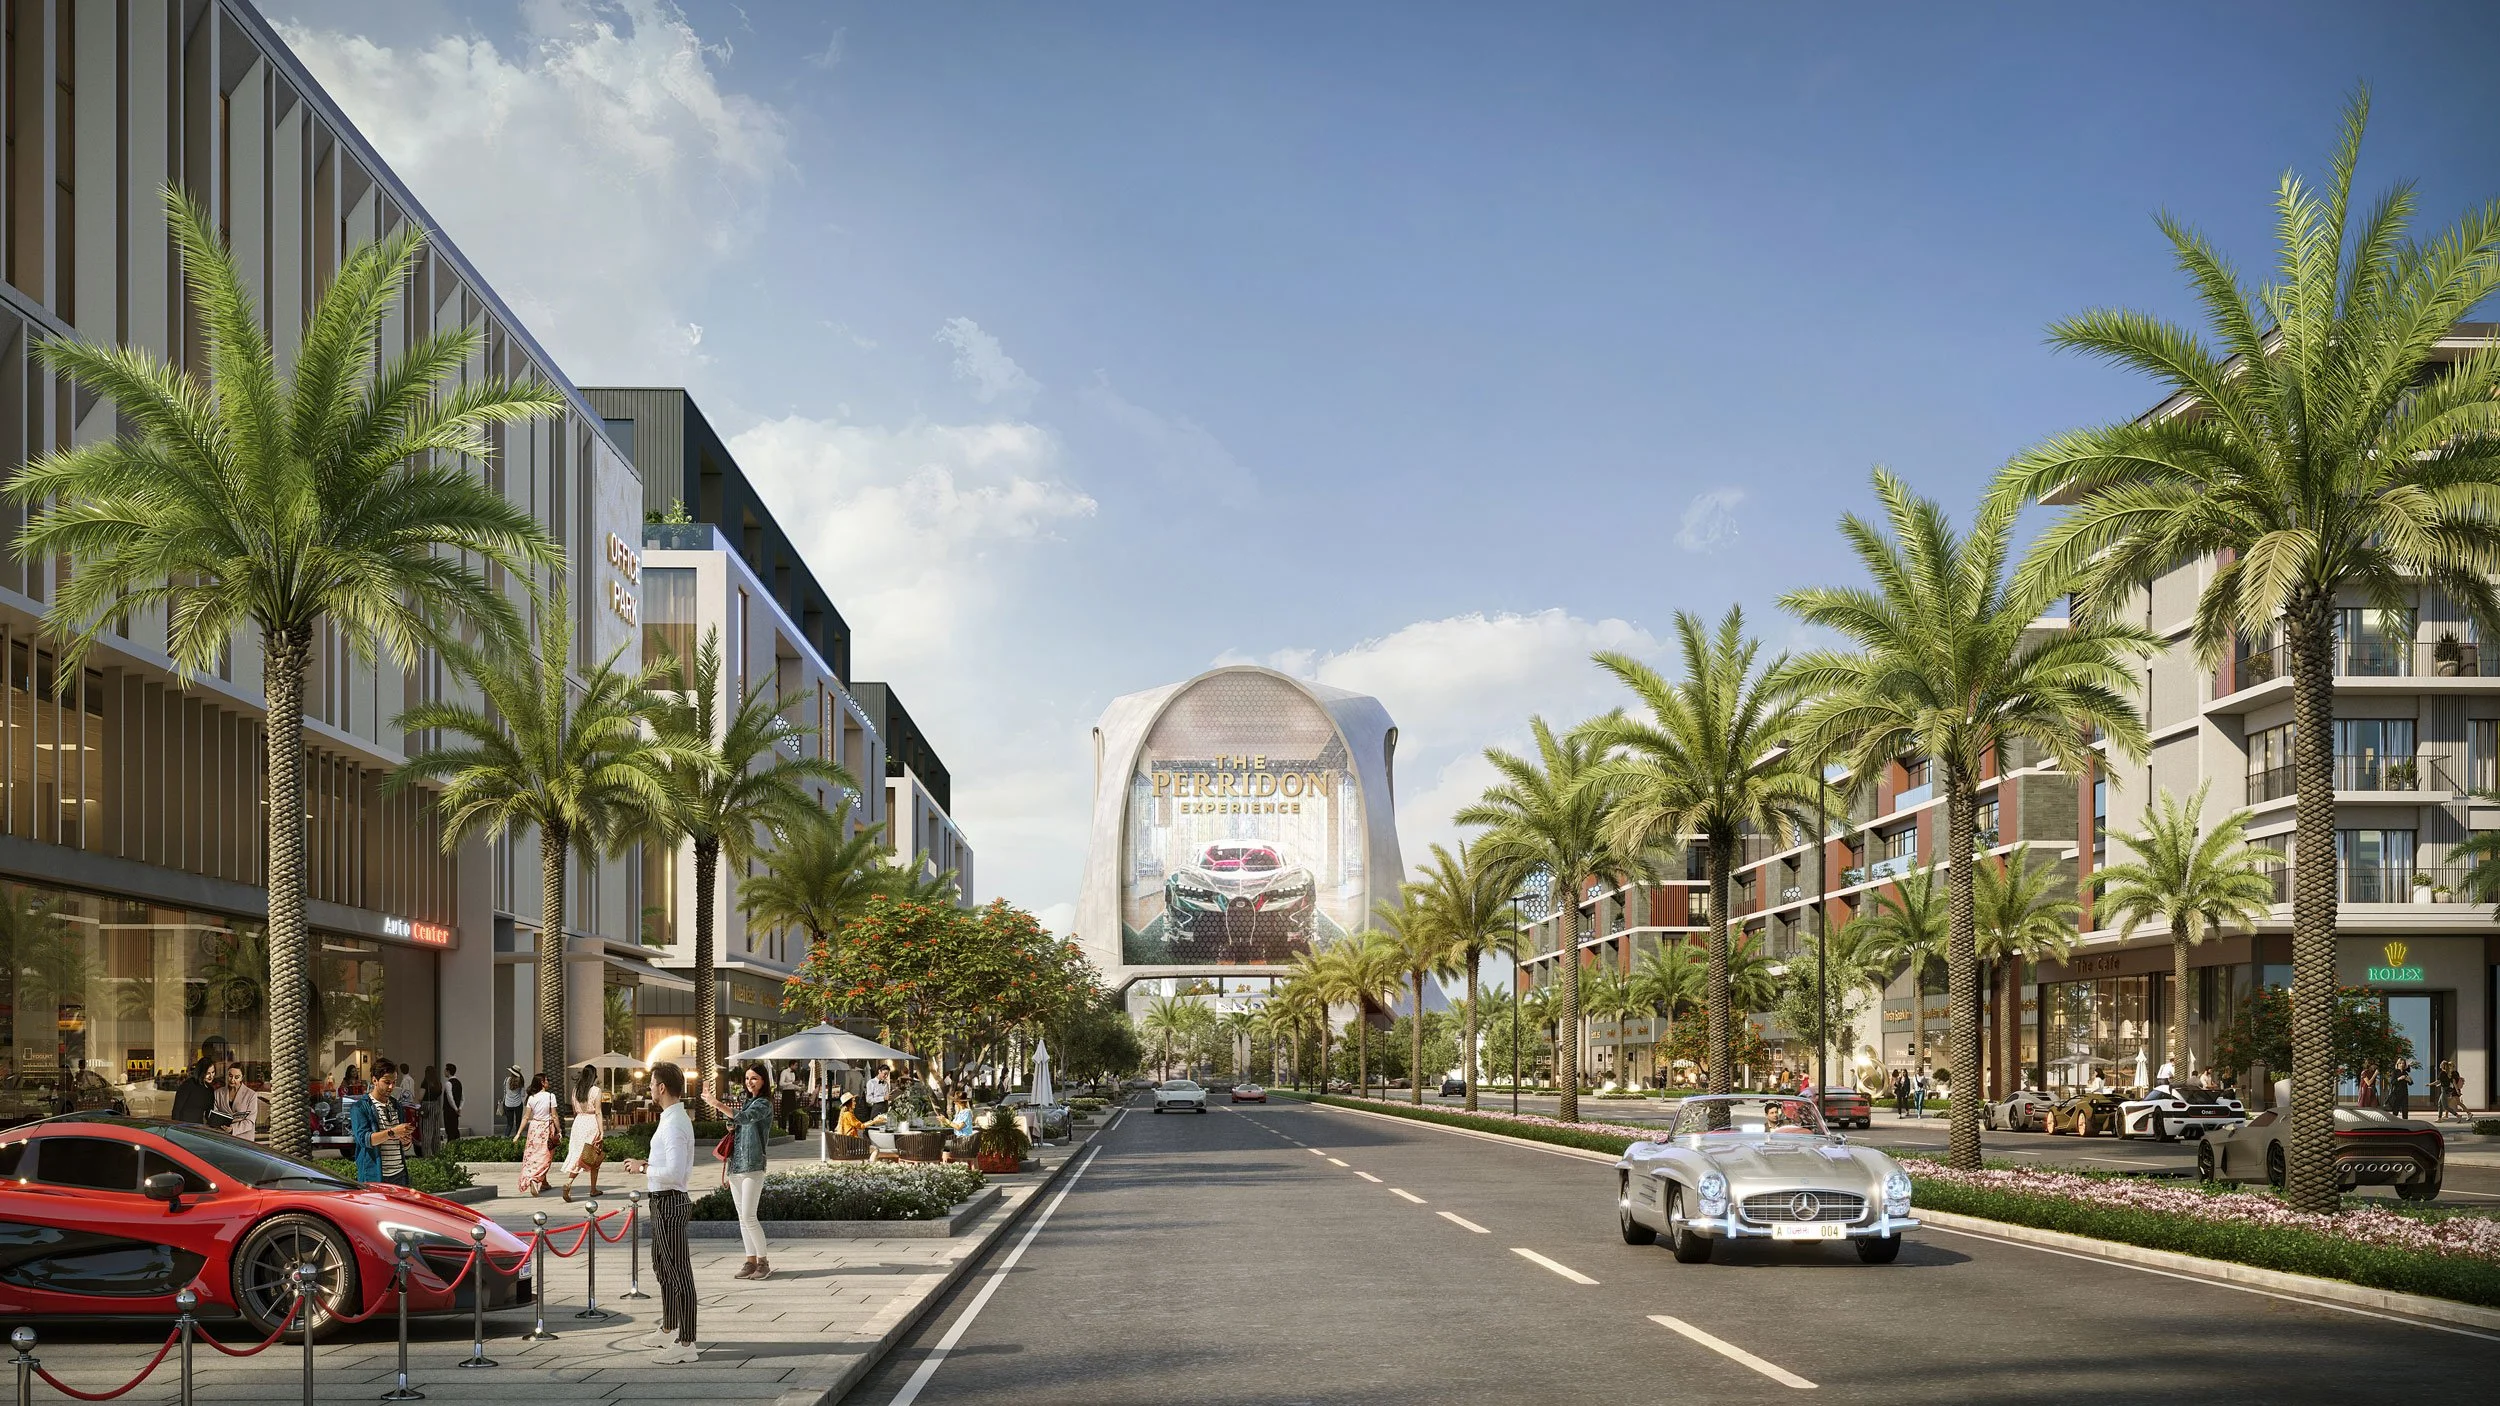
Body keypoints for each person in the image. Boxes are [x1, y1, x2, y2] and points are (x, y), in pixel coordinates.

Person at [623, 1061, 699, 1364]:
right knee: (663, 1267)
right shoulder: (670, 1118)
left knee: (679, 1273)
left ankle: (687, 1342)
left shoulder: (674, 1123)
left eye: (652, 1084)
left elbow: (675, 1173)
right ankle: (669, 1328)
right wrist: (647, 1165)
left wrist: (643, 1168)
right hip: (661, 1201)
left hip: (670, 1202)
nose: (650, 1089)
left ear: (662, 1087)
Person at [708, 1063, 776, 1280]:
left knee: (749, 1215)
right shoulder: (748, 1102)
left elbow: (746, 1118)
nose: (749, 1082)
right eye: (747, 1078)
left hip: (753, 1165)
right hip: (736, 1165)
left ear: (763, 1081)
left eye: (754, 1078)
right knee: (742, 1217)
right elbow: (737, 1121)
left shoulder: (764, 1104)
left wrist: (716, 1104)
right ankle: (750, 1260)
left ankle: (763, 1262)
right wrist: (730, 1123)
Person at [353, 1071, 415, 1186]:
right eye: (387, 1082)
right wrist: (392, 1132)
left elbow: (402, 1143)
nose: (391, 1087)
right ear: (374, 1080)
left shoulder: (397, 1105)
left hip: (399, 1173)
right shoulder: (360, 1106)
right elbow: (364, 1140)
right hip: (374, 1175)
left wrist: (406, 1142)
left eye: (394, 1082)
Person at [560, 1064, 607, 1202]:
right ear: (594, 1076)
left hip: (579, 1123)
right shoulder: (596, 1090)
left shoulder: (576, 1090)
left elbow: (574, 1110)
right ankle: (592, 1188)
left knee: (578, 1154)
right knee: (593, 1155)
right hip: (591, 1122)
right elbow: (598, 1112)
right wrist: (601, 1131)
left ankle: (571, 1182)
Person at [518, 1074, 560, 1196]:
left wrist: (519, 1133)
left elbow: (526, 1117)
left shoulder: (531, 1098)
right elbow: (554, 1116)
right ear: (542, 1082)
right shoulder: (551, 1096)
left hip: (534, 1128)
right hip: (546, 1128)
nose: (548, 1081)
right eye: (547, 1080)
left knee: (533, 1155)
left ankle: (544, 1183)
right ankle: (535, 1179)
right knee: (546, 1156)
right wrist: (559, 1130)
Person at [214, 1063, 261, 1141]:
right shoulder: (218, 1093)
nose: (232, 1080)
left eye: (236, 1077)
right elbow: (215, 1115)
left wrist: (233, 1128)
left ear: (242, 1077)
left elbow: (250, 1121)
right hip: (223, 1137)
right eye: (230, 1076)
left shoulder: (251, 1095)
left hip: (243, 1139)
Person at [171, 1057, 216, 1125]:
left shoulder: (210, 1090)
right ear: (201, 1072)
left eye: (213, 1072)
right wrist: (176, 1127)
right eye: (207, 1073)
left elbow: (208, 1114)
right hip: (183, 1126)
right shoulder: (188, 1085)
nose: (211, 1076)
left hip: (197, 1127)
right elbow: (176, 1110)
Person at [418, 1066, 444, 1156]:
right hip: (436, 1105)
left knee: (427, 1131)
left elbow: (420, 1097)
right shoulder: (438, 1083)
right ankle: (437, 1152)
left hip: (427, 1107)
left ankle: (427, 1154)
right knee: (436, 1131)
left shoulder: (425, 1083)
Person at [779, 1064, 805, 1140]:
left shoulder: (793, 1074)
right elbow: (781, 1083)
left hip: (792, 1093)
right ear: (791, 1065)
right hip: (786, 1093)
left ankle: (792, 1130)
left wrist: (800, 1088)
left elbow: (792, 1086)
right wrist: (791, 1083)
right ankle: (783, 1130)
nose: (796, 1067)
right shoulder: (784, 1072)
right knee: (784, 1112)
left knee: (793, 1112)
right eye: (795, 1065)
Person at [502, 1067, 527, 1139]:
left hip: (507, 1104)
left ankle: (506, 1138)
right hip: (518, 1104)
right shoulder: (521, 1081)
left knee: (509, 1124)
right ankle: (517, 1137)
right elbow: (523, 1094)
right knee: (518, 1123)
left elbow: (504, 1092)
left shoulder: (506, 1080)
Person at [443, 1063, 465, 1140]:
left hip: (449, 1110)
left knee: (449, 1130)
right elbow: (463, 1098)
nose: (444, 1071)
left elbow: (450, 1098)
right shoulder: (459, 1083)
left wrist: (455, 1108)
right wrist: (460, 1108)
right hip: (456, 1112)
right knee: (455, 1128)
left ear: (448, 1071)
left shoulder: (448, 1083)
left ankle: (451, 1145)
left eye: (445, 1070)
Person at [2388, 1055, 2414, 1119]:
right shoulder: (2395, 1072)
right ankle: (2394, 1122)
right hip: (2396, 1093)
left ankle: (2405, 1122)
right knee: (2395, 1110)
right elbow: (2392, 1082)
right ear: (2397, 1064)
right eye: (2400, 1063)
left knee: (2405, 1110)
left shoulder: (2405, 1073)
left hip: (2404, 1093)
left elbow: (2410, 1083)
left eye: (2403, 1063)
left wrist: (2409, 1080)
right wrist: (2399, 1078)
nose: (2401, 1065)